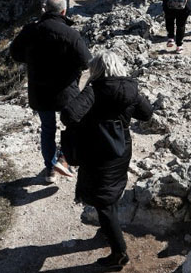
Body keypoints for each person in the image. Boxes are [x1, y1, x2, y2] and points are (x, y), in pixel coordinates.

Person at [63, 51, 153, 271]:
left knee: (102, 200)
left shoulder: (95, 90)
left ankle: (119, 253)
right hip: (122, 149)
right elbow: (147, 114)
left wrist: (89, 127)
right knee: (111, 191)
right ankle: (109, 229)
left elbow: (69, 115)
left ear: (98, 70)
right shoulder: (131, 89)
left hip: (98, 151)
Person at [10, 0, 91, 183]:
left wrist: (31, 60)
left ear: (45, 9)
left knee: (47, 128)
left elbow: (15, 53)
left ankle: (51, 169)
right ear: (64, 11)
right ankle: (63, 158)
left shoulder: (30, 31)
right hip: (66, 91)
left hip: (39, 91)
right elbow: (86, 62)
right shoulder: (70, 34)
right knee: (76, 124)